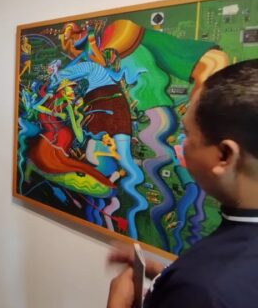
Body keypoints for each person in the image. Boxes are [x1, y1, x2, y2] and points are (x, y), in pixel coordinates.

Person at [107, 58, 258, 308]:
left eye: (187, 134)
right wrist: (168, 278)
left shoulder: (204, 288)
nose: (181, 143)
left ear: (224, 155)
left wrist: (117, 304)